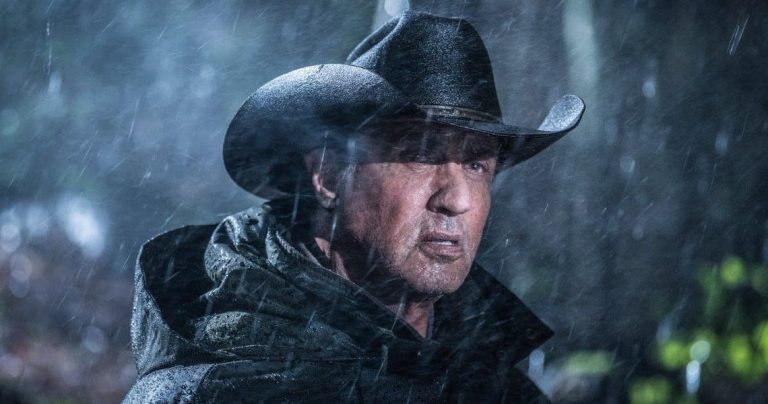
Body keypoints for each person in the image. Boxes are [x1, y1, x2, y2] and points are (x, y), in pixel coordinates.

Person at [125, 11, 583, 403]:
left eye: (477, 164)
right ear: (327, 177)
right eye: (420, 155)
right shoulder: (215, 389)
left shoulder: (493, 384)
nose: (457, 200)